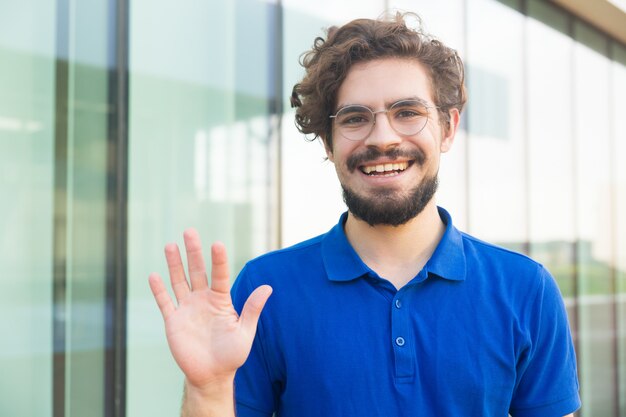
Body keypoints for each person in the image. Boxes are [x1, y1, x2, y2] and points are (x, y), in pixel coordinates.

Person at [149, 12, 580, 417]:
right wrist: (206, 390)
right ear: (328, 143)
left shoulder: (527, 290)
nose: (383, 138)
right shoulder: (265, 292)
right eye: (355, 118)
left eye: (407, 112)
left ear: (448, 127)